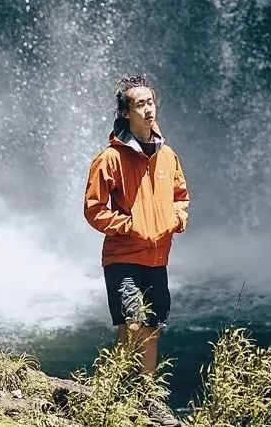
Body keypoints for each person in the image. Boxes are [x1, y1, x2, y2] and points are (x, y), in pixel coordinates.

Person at [84, 74, 190, 426]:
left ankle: (148, 398)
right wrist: (129, 227)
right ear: (126, 113)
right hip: (123, 257)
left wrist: (177, 218)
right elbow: (94, 208)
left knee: (152, 327)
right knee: (131, 324)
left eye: (150, 102)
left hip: (158, 258)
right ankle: (108, 390)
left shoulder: (168, 156)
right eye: (139, 104)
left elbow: (181, 197)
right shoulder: (109, 159)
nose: (147, 108)